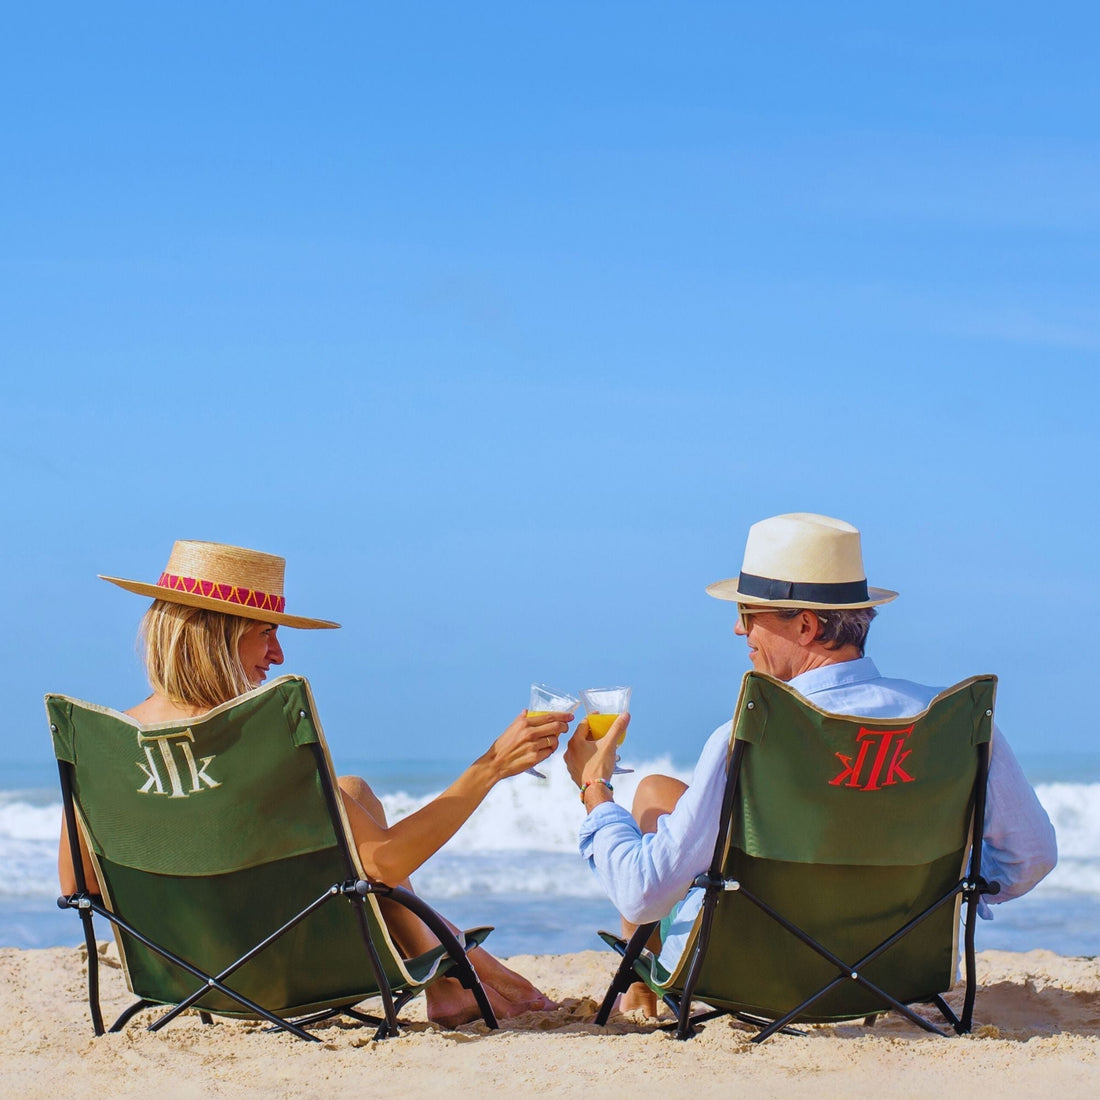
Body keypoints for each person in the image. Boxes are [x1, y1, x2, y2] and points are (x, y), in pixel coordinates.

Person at [58, 539, 572, 1026]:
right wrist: (489, 767)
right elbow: (386, 864)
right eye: (265, 632)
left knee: (351, 792)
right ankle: (455, 968)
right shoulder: (256, 744)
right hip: (285, 970)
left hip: (185, 975)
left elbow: (77, 887)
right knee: (360, 849)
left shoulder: (101, 746)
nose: (278, 654)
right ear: (217, 635)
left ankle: (451, 981)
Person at [564, 512, 1057, 1017]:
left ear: (805, 626)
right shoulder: (958, 722)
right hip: (899, 971)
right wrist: (941, 895)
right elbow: (1032, 857)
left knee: (652, 810)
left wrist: (594, 787)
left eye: (748, 613)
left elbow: (642, 893)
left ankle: (641, 988)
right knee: (658, 790)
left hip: (751, 973)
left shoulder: (750, 734)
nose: (738, 628)